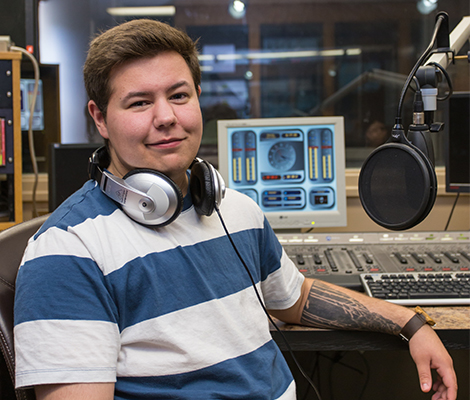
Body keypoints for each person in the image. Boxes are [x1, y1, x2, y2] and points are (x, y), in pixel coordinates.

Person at [14, 19, 457, 400]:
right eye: (140, 102)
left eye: (179, 95)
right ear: (99, 118)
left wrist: (410, 324)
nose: (166, 116)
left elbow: (295, 297)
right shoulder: (66, 251)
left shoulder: (231, 207)